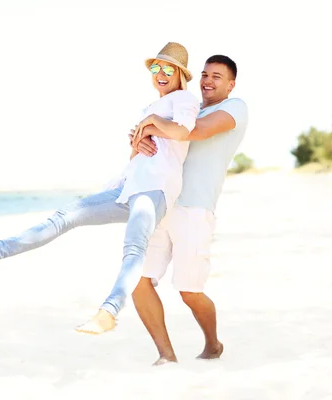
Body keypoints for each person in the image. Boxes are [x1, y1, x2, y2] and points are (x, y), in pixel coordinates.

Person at [0, 42, 199, 334]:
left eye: (168, 68)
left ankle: (109, 312)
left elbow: (183, 131)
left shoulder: (183, 99)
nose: (160, 73)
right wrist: (136, 143)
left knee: (134, 248)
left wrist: (152, 123)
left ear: (180, 74)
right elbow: (143, 155)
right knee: (65, 215)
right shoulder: (152, 106)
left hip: (155, 190)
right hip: (128, 188)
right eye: (156, 67)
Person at [130, 55, 248, 365]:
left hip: (195, 209)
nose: (208, 80)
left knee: (188, 290)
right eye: (205, 74)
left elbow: (196, 131)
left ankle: (213, 344)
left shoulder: (234, 108)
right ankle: (166, 355)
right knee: (137, 280)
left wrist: (153, 124)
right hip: (161, 202)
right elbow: (151, 140)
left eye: (217, 77)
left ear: (230, 84)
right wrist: (141, 139)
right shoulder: (186, 109)